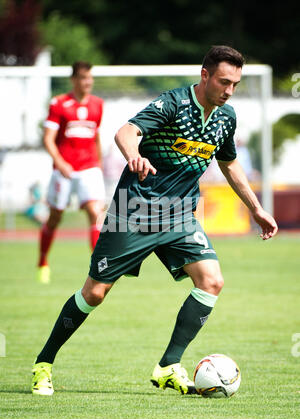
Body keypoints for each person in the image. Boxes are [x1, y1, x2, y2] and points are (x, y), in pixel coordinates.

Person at [31, 46, 278, 396]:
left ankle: (167, 365)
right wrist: (134, 157)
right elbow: (126, 132)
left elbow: (229, 163)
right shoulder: (173, 103)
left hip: (179, 215)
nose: (229, 90)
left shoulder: (226, 117)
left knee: (212, 280)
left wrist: (255, 207)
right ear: (205, 75)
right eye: (224, 81)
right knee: (95, 293)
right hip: (134, 210)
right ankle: (44, 363)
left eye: (236, 84)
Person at [37, 61, 105, 284]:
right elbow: (48, 139)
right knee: (55, 217)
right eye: (84, 78)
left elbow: (95, 136)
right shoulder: (59, 104)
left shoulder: (97, 105)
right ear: (74, 80)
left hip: (89, 168)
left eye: (90, 78)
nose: (88, 82)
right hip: (64, 171)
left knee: (96, 213)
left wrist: (99, 163)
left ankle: (96, 269)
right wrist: (60, 162)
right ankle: (43, 262)